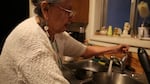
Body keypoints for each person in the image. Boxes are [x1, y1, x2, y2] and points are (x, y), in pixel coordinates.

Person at [0, 0, 129, 84]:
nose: (72, 17)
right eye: (67, 11)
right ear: (46, 9)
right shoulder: (30, 39)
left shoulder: (57, 34)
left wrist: (115, 48)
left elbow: (85, 51)